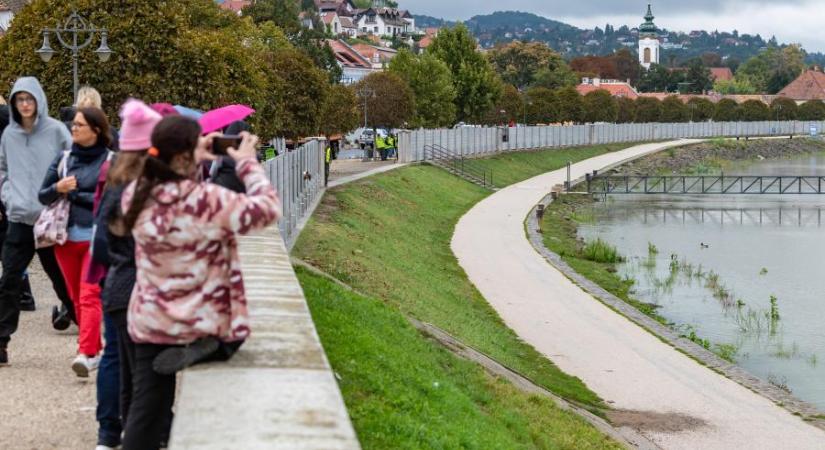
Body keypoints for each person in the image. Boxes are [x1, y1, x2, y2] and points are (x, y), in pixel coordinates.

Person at [120, 116, 280, 449]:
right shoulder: (207, 201)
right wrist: (248, 165)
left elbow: (171, 185)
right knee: (235, 338)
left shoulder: (136, 194)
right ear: (184, 155)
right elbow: (267, 209)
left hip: (150, 318)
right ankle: (206, 349)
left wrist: (193, 154)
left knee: (146, 411)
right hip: (198, 320)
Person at [91, 99, 163, 450]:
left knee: (127, 381)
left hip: (116, 288)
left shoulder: (115, 182)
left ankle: (112, 434)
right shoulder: (147, 186)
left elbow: (101, 244)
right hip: (140, 292)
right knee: (145, 389)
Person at [0, 77, 74, 365]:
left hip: (49, 217)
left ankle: (84, 326)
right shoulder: (9, 135)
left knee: (61, 278)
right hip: (19, 218)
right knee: (9, 280)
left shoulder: (56, 130)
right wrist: (8, 196)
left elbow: (72, 160)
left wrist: (62, 194)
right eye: (19, 100)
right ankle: (2, 341)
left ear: (38, 100)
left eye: (29, 99)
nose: (25, 105)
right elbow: (2, 168)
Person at [39, 107, 112, 377]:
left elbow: (109, 199)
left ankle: (85, 352)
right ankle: (96, 346)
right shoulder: (64, 158)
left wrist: (76, 193)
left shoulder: (110, 160)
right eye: (74, 125)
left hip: (97, 238)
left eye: (80, 125)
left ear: (95, 129)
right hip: (65, 237)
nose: (74, 128)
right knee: (75, 298)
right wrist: (58, 189)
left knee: (89, 294)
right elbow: (43, 195)